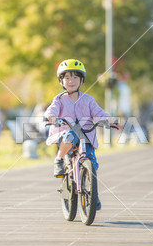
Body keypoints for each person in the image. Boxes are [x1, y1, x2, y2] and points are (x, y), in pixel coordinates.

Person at [44, 59, 118, 210]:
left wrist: (108, 119)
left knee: (92, 163)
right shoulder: (59, 99)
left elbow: (98, 113)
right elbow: (52, 109)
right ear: (61, 81)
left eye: (75, 77)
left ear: (81, 80)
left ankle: (93, 194)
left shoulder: (88, 100)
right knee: (70, 134)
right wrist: (51, 116)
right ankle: (59, 160)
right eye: (67, 78)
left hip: (86, 136)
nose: (71, 81)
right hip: (67, 134)